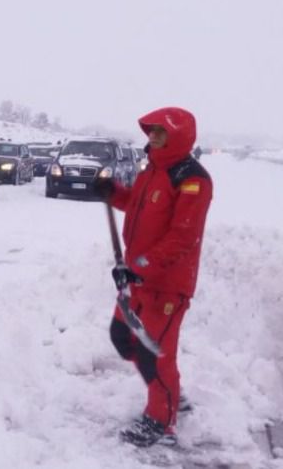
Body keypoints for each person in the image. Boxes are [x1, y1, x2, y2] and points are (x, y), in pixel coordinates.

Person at [94, 107, 212, 447]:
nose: (152, 136)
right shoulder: (152, 170)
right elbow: (135, 204)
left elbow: (183, 236)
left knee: (153, 352)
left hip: (167, 285)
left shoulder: (192, 178)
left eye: (160, 131)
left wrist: (141, 265)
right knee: (122, 337)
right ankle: (169, 389)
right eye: (151, 131)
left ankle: (162, 420)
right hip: (137, 279)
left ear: (177, 134)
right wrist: (112, 192)